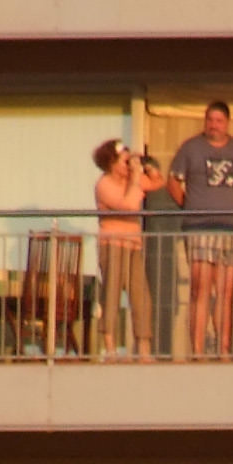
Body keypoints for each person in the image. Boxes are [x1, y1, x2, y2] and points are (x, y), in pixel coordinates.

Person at [162, 99, 233, 359]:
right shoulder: (191, 148)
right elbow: (173, 182)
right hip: (200, 227)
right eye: (210, 120)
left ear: (227, 123)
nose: (214, 125)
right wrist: (190, 207)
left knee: (226, 292)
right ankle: (198, 350)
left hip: (230, 228)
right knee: (200, 289)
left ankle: (223, 350)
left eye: (219, 121)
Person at [89, 137, 155, 358]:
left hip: (132, 244)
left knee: (141, 296)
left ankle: (144, 348)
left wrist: (146, 166)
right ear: (112, 163)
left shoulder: (130, 180)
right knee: (112, 294)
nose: (128, 165)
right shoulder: (104, 184)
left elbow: (156, 182)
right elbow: (128, 205)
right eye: (124, 161)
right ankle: (110, 348)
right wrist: (135, 178)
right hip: (112, 244)